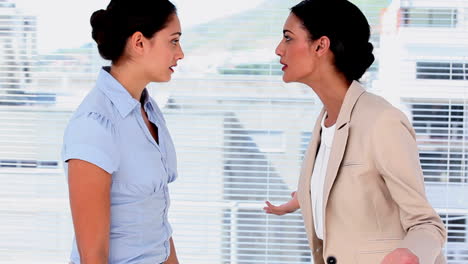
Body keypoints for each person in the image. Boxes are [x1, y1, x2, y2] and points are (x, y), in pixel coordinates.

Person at [263, 0, 447, 263]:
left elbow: (427, 224)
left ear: (320, 46)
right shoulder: (326, 121)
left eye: (288, 38)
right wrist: (303, 196)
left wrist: (410, 254)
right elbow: (347, 184)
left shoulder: (382, 121)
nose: (278, 49)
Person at [61, 0, 184, 263]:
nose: (180, 53)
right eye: (173, 41)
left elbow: (156, 222)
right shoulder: (94, 124)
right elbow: (93, 256)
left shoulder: (148, 110)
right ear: (139, 42)